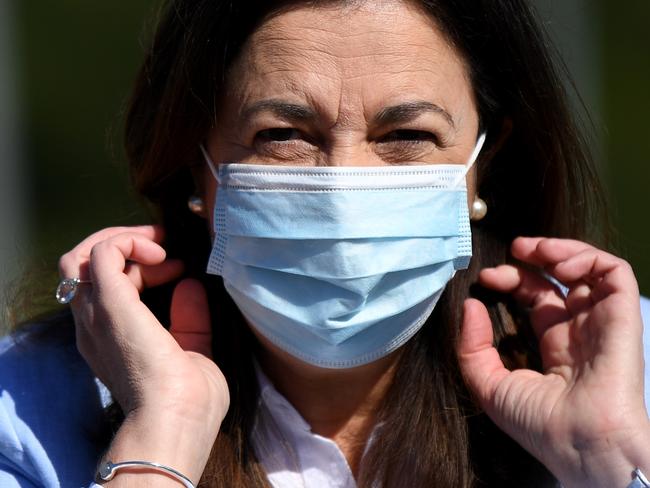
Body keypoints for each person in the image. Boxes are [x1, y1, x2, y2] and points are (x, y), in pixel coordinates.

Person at [1, 0, 649, 487]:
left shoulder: (628, 378)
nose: (344, 182)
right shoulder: (21, 411)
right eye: (283, 132)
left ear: (483, 165)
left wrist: (609, 461)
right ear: (198, 166)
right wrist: (160, 437)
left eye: (408, 136)